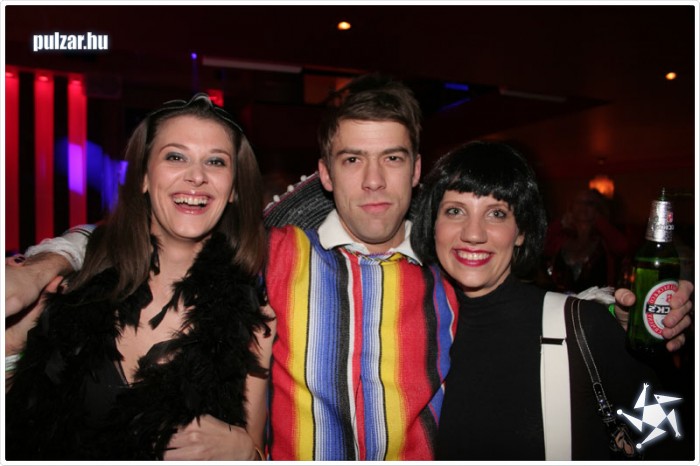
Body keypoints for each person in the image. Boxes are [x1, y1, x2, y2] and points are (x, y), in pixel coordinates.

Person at [4, 76, 694, 460]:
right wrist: (45, 262)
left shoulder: (449, 271)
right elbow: (160, 231)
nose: (372, 182)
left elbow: (527, 307)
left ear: (416, 171)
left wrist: (617, 314)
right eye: (352, 159)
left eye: (392, 159)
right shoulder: (271, 251)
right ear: (325, 174)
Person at [4, 94, 274, 460]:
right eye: (175, 156)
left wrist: (247, 453)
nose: (196, 176)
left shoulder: (255, 321)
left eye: (216, 161)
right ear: (144, 178)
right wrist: (10, 346)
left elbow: (253, 446)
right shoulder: (68, 285)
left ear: (234, 189)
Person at [410, 141, 689, 460]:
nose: (473, 233)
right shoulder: (409, 328)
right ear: (433, 223)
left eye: (497, 213)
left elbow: (669, 444)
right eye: (455, 211)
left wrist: (653, 335)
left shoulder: (584, 327)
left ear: (521, 231)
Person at [543, 188, 630, 293]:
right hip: (561, 298)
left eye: (589, 203)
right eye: (578, 202)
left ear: (597, 208)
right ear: (571, 206)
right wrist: (561, 222)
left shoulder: (604, 237)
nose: (583, 207)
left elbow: (622, 247)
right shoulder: (562, 235)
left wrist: (600, 221)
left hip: (597, 300)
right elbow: (542, 246)